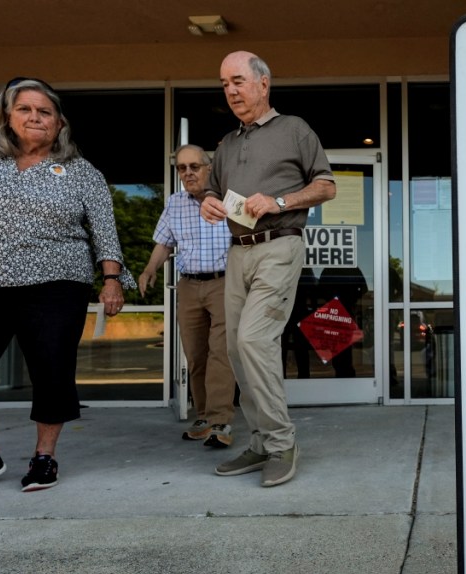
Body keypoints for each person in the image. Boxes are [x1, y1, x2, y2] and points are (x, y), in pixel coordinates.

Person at [0, 77, 135, 499]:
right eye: (26, 110)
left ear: (59, 124)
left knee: (51, 370)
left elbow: (105, 233)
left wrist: (111, 280)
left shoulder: (81, 171)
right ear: (7, 116)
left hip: (57, 283)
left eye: (45, 112)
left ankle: (44, 456)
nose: (35, 118)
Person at [201, 51, 336, 487]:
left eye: (238, 81)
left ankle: (281, 443)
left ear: (263, 83)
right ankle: (260, 441)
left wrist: (279, 201)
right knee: (237, 351)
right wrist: (207, 201)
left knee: (254, 339)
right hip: (237, 250)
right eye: (224, 84)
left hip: (279, 245)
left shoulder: (294, 129)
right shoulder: (227, 143)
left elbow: (326, 186)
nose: (231, 91)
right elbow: (212, 191)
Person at [139, 144, 236, 448]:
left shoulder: (228, 200)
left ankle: (221, 421)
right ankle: (205, 416)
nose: (189, 172)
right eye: (182, 168)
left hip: (224, 283)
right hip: (189, 286)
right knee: (195, 355)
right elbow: (164, 242)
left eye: (195, 166)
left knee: (221, 353)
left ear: (209, 168)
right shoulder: (175, 203)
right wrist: (149, 268)